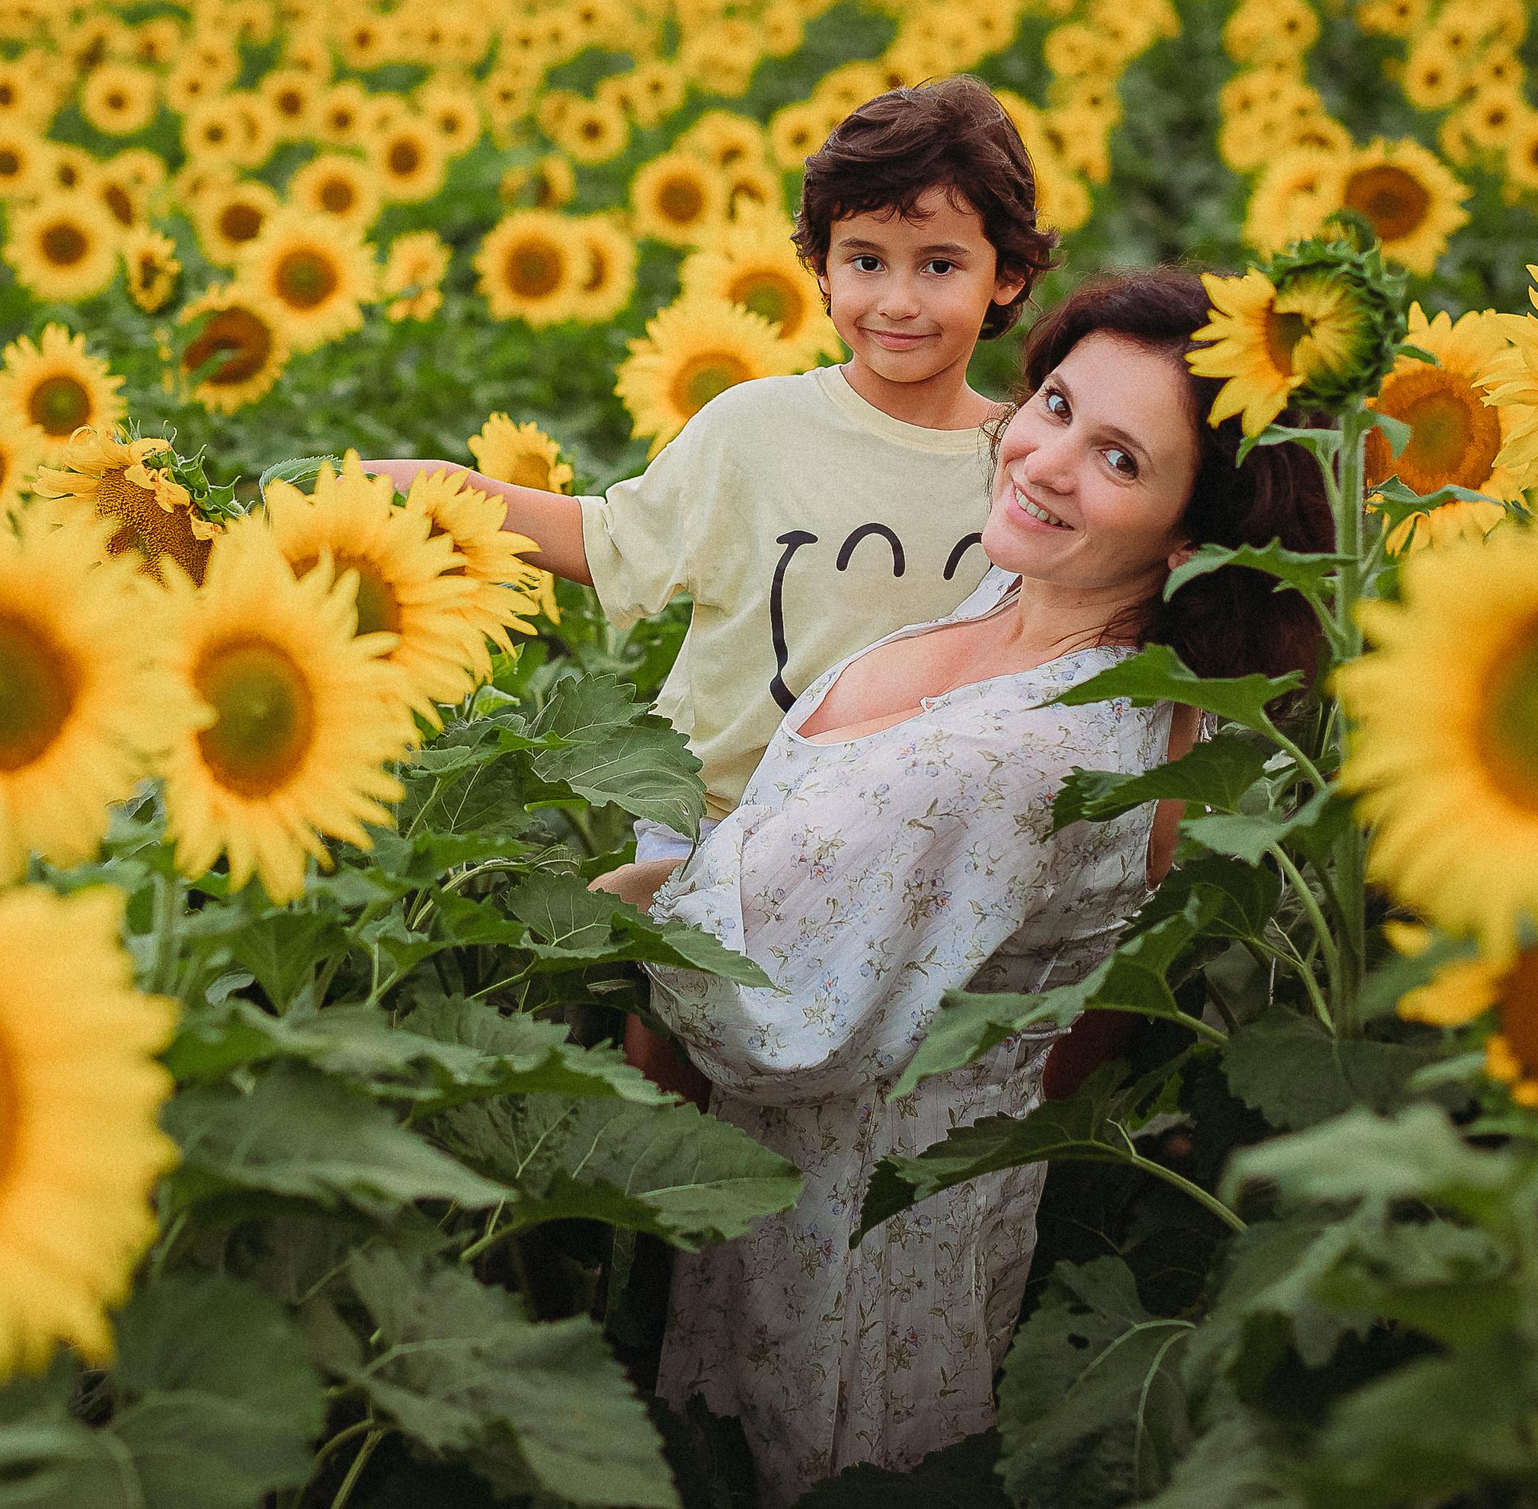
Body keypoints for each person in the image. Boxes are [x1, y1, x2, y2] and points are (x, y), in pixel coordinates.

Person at [641, 269, 1332, 1506]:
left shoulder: (1026, 757)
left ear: (1191, 534)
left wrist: (624, 903)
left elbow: (765, 1019)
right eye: (1057, 403)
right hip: (801, 1201)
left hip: (843, 1249)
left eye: (1119, 459)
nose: (1045, 458)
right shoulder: (1022, 602)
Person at [365, 77, 1059, 912]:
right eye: (866, 261)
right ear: (822, 268)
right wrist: (441, 493)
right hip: (718, 817)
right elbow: (608, 541)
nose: (898, 300)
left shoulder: (1027, 466)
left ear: (1009, 276)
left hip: (914, 847)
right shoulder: (753, 427)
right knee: (668, 1014)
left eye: (940, 265)